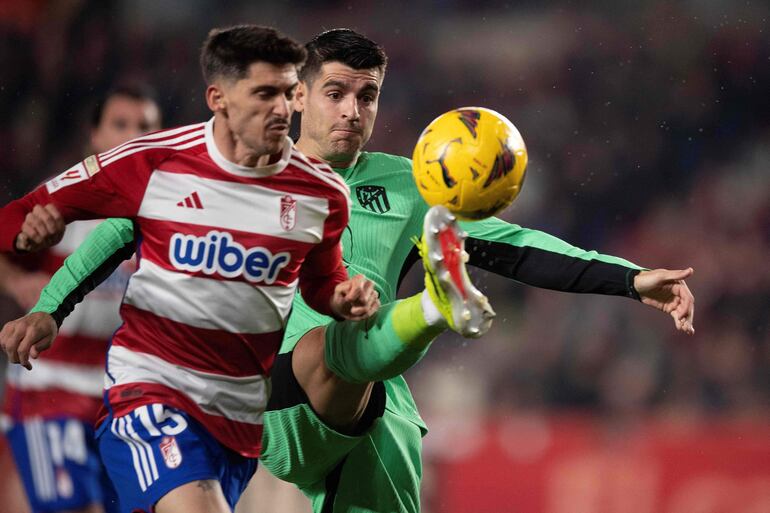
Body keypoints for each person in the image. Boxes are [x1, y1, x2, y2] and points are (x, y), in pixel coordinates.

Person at [4, 28, 696, 513]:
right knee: (323, 349)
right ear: (297, 95)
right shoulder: (233, 163)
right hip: (266, 388)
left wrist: (632, 279)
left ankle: (435, 304)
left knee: (371, 389)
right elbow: (116, 233)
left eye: (367, 96)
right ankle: (432, 307)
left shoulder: (411, 184)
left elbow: (516, 244)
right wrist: (52, 309)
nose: (352, 111)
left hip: (376, 405)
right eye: (335, 92)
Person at [0, 25, 384, 513]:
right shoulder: (154, 162)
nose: (282, 109)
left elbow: (320, 282)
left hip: (239, 419)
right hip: (150, 393)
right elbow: (30, 213)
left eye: (289, 93)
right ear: (218, 98)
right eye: (265, 94)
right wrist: (42, 294)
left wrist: (343, 297)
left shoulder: (323, 192)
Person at [0, 84, 161, 513]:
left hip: (126, 399)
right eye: (120, 125)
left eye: (144, 126)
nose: (133, 136)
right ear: (95, 136)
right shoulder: (63, 203)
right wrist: (16, 282)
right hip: (51, 390)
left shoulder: (171, 214)